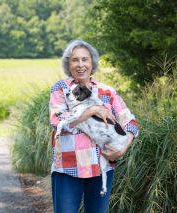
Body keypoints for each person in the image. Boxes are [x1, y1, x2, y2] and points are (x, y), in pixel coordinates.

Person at [49, 39, 139, 213]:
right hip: (68, 166)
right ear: (68, 63)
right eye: (75, 60)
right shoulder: (61, 89)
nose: (80, 64)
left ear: (92, 63)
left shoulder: (107, 91)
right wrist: (93, 110)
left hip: (101, 167)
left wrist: (123, 148)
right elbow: (57, 122)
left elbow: (131, 122)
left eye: (85, 59)